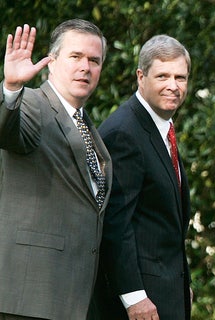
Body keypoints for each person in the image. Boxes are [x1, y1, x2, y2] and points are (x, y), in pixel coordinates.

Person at [0, 19, 112, 319]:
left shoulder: (88, 127)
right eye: (75, 56)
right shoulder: (34, 105)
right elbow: (6, 128)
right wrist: (11, 88)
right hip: (27, 299)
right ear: (51, 61)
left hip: (70, 300)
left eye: (94, 60)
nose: (85, 67)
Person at [90, 35, 192, 320]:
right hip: (140, 304)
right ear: (141, 76)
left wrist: (181, 285)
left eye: (180, 77)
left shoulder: (159, 127)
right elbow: (115, 223)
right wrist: (135, 297)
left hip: (165, 292)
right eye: (163, 76)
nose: (173, 86)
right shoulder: (125, 132)